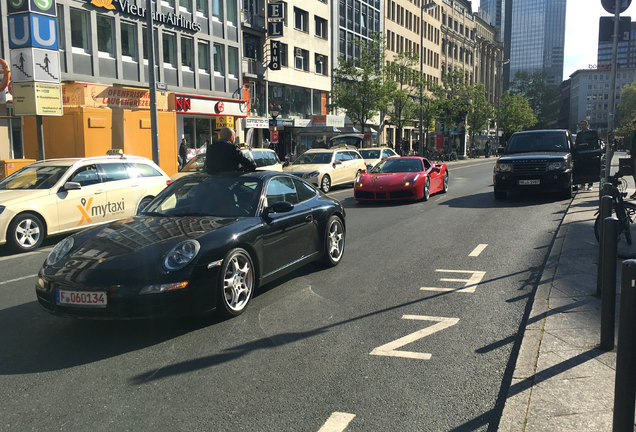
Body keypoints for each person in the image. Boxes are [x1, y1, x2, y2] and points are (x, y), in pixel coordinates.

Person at [575, 120, 597, 191]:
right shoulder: (579, 134)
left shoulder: (591, 133)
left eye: (584, 125)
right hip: (581, 153)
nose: (582, 126)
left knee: (590, 169)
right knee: (582, 169)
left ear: (587, 125)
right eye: (581, 125)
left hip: (589, 153)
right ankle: (582, 184)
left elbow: (595, 142)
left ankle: (590, 184)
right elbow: (577, 143)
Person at [627, 120, 636, 198]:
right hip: (633, 156)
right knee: (634, 174)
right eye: (634, 126)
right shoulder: (633, 133)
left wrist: (631, 151)